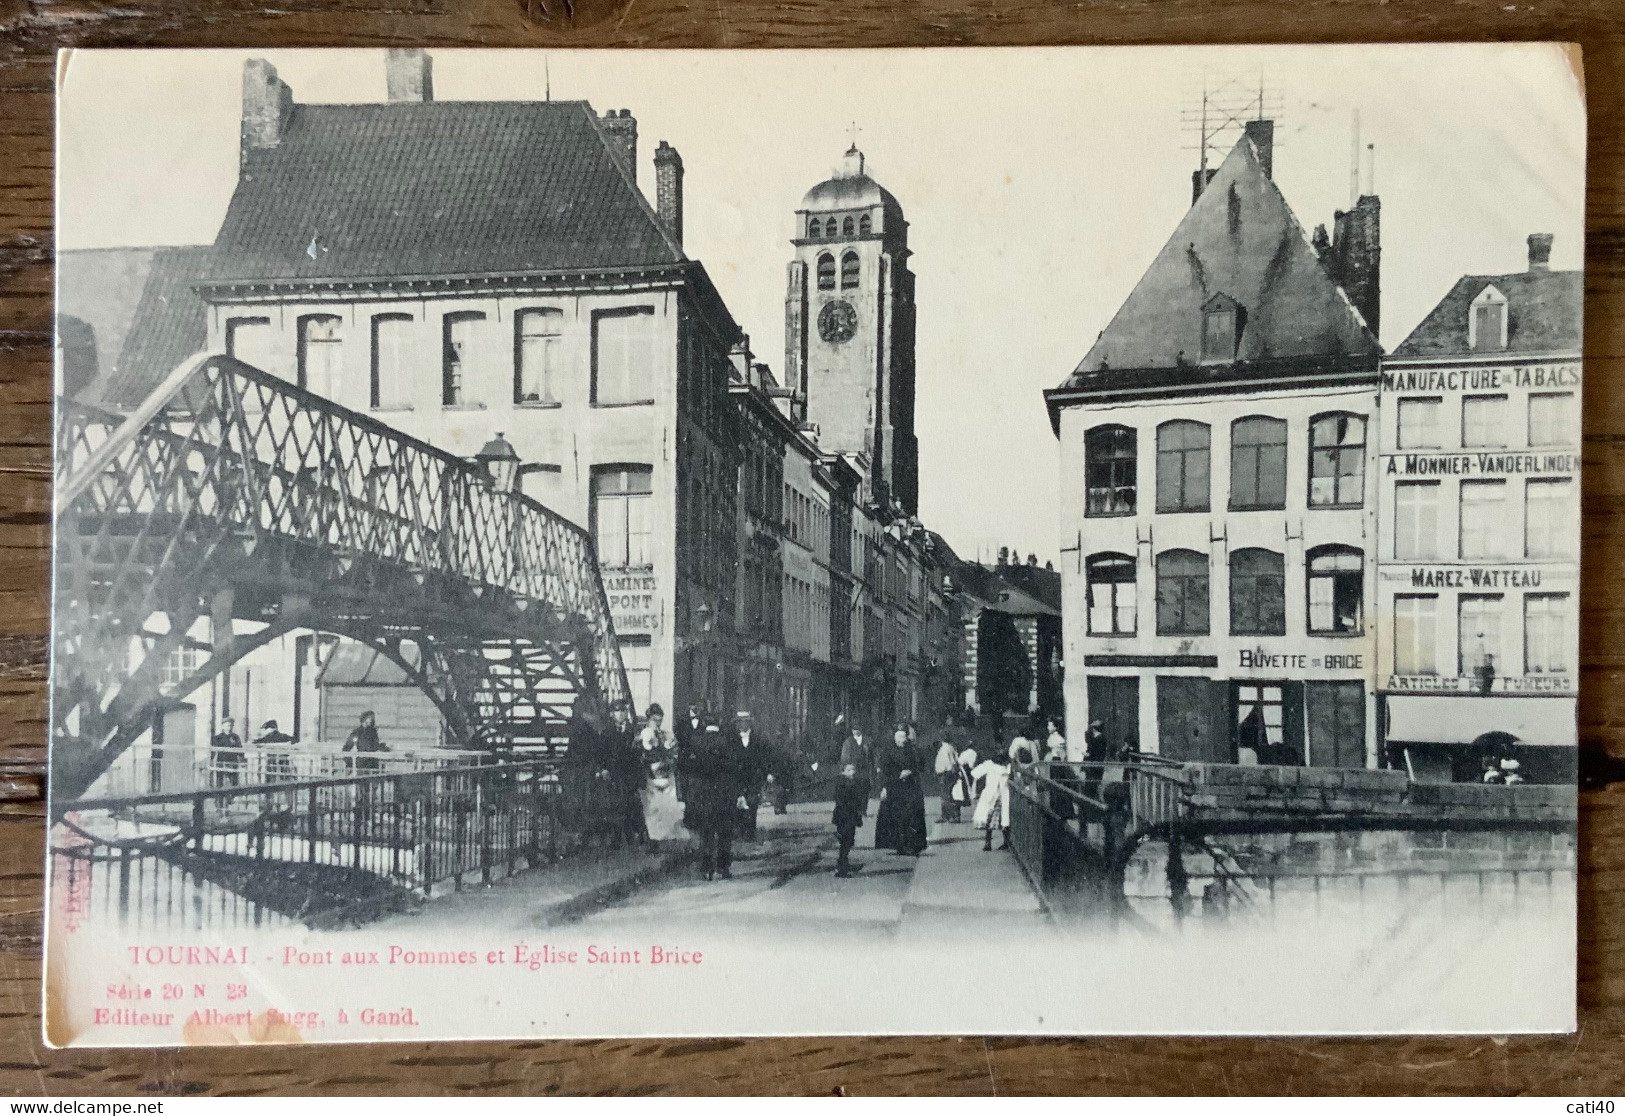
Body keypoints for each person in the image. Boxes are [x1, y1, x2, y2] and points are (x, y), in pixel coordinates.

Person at [681, 717, 747, 881]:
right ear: (718, 724)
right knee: (725, 832)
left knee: (706, 833)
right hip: (724, 794)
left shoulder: (695, 741)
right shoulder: (728, 741)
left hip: (703, 795)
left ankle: (706, 869)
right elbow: (736, 768)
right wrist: (738, 792)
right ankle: (723, 867)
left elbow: (686, 767)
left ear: (704, 725)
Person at [874, 724, 928, 856]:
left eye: (904, 737)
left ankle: (911, 844)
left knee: (911, 816)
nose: (901, 740)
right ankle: (899, 845)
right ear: (894, 737)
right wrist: (885, 786)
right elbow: (883, 771)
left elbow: (920, 764)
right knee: (896, 817)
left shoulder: (912, 749)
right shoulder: (887, 751)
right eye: (898, 737)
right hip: (894, 787)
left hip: (910, 787)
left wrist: (910, 771)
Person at [638, 704, 686, 843]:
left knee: (667, 803)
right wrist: (661, 750)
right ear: (649, 719)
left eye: (660, 720)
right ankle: (655, 836)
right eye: (655, 720)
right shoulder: (647, 733)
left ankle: (667, 833)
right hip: (652, 771)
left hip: (664, 770)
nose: (657, 723)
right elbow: (648, 750)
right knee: (653, 805)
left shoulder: (663, 733)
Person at [733, 711, 773, 841]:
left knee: (752, 803)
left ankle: (750, 832)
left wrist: (768, 772)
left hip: (754, 776)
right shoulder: (733, 739)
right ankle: (740, 831)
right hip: (738, 776)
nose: (742, 724)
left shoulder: (758, 738)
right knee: (738, 802)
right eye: (740, 722)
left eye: (745, 721)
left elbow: (765, 757)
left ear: (749, 722)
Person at [972, 752, 1013, 852]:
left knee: (989, 820)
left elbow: (975, 773)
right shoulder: (1008, 767)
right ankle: (1005, 842)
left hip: (992, 796)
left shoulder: (990, 765)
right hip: (1001, 796)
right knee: (1002, 819)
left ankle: (988, 843)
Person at [832, 762, 867, 877]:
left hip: (850, 816)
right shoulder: (842, 784)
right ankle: (842, 867)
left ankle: (844, 864)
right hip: (844, 817)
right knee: (846, 841)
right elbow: (841, 801)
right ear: (843, 772)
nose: (853, 772)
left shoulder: (854, 783)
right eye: (849, 770)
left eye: (853, 769)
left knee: (849, 841)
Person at [839, 722, 873, 815]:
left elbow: (872, 755)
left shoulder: (867, 740)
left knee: (865, 789)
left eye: (857, 729)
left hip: (865, 768)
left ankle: (863, 810)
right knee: (855, 789)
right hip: (854, 768)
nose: (855, 731)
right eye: (853, 729)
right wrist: (846, 767)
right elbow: (844, 756)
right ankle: (856, 809)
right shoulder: (848, 742)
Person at [253, 719, 294, 783]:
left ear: (271, 728)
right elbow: (294, 740)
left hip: (273, 760)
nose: (267, 731)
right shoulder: (283, 736)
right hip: (282, 761)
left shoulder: (269, 737)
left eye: (267, 729)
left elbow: (257, 741)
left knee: (270, 775)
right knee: (284, 777)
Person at [934, 735, 962, 822]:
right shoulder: (951, 747)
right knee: (949, 794)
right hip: (950, 773)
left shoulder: (944, 749)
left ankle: (949, 816)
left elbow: (946, 763)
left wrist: (943, 772)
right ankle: (948, 815)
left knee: (946, 795)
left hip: (945, 774)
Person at [210, 717, 244, 788]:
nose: (229, 727)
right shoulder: (217, 737)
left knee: (233, 781)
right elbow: (213, 750)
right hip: (221, 761)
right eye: (227, 725)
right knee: (220, 780)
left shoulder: (235, 737)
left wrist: (242, 760)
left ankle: (232, 796)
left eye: (231, 725)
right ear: (223, 726)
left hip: (232, 761)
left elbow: (240, 749)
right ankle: (219, 797)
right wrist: (212, 760)